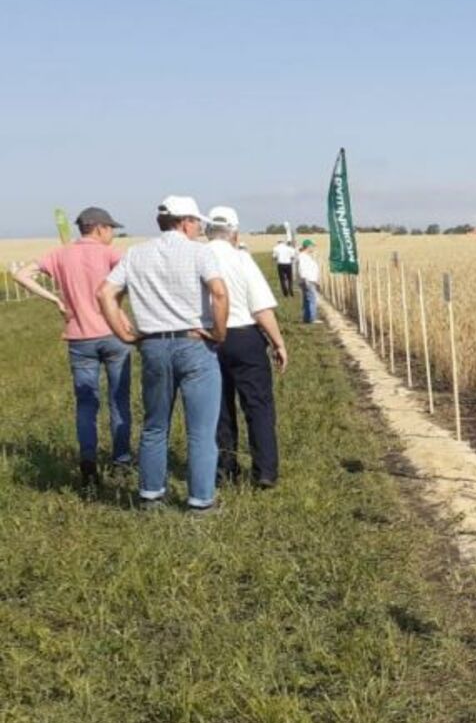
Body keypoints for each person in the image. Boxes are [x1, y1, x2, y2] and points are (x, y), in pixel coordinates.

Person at [97, 195, 230, 513]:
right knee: (200, 430)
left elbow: (105, 293)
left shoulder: (136, 254)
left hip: (153, 344)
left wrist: (124, 333)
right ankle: (200, 501)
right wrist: (219, 333)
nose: (199, 227)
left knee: (155, 426)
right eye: (197, 221)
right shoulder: (200, 253)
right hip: (194, 342)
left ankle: (151, 495)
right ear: (185, 222)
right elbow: (220, 292)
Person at [9, 207, 131, 486]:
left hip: (79, 337)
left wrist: (56, 300)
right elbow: (130, 277)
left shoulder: (59, 254)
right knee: (119, 400)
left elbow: (21, 275)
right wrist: (119, 305)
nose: (112, 233)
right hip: (114, 334)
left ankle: (88, 463)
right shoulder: (110, 254)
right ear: (99, 228)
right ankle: (121, 462)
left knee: (86, 403)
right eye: (110, 228)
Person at [205, 206, 288, 488]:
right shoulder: (242, 260)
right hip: (244, 337)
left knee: (218, 407)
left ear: (206, 230)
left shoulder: (198, 258)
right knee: (258, 405)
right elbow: (261, 308)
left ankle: (224, 468)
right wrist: (278, 343)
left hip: (208, 339)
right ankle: (265, 471)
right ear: (234, 232)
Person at [296, 238, 321, 323]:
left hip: (309, 280)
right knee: (312, 299)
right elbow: (302, 269)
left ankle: (307, 318)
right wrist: (305, 280)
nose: (313, 248)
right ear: (308, 247)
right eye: (312, 246)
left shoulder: (305, 256)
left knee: (307, 300)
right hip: (308, 281)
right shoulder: (303, 257)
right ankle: (312, 319)